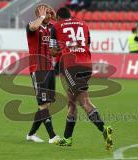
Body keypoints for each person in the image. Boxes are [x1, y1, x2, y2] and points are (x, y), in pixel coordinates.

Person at [49, 7, 113, 150]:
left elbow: (53, 52)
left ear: (58, 18)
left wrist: (63, 47)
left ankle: (104, 128)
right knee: (71, 102)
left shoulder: (56, 27)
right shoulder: (83, 24)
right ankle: (67, 138)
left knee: (84, 101)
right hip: (86, 65)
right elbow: (87, 44)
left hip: (70, 66)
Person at [25, 3, 60, 144]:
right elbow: (33, 27)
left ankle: (31, 134)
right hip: (38, 69)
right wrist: (41, 16)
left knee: (48, 104)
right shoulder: (32, 25)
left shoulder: (51, 28)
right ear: (39, 14)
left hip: (50, 69)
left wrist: (54, 15)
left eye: (50, 13)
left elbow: (54, 47)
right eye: (46, 13)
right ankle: (52, 136)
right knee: (43, 104)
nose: (49, 16)